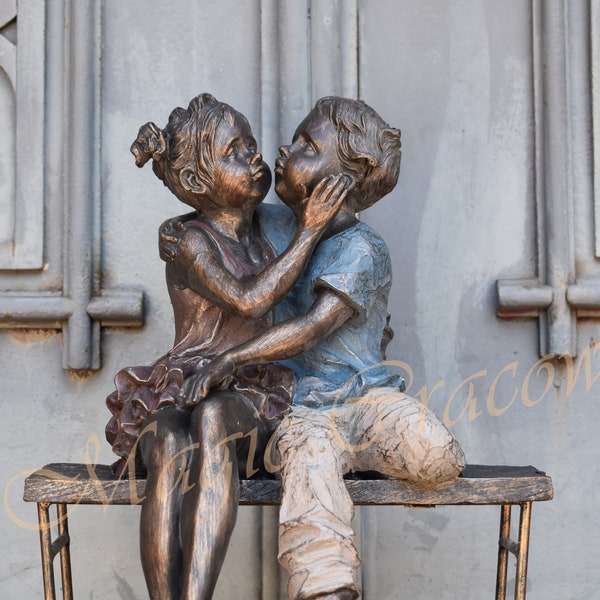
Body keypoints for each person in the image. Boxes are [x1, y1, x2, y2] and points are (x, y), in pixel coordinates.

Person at [185, 97, 466, 600]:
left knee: (434, 455)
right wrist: (176, 233)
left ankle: (357, 449)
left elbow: (312, 328)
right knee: (308, 464)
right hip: (299, 407)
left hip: (365, 399)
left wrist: (231, 359)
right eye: (297, 139)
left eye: (307, 147)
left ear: (340, 184)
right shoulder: (269, 225)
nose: (284, 149)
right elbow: (211, 216)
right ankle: (327, 587)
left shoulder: (363, 249)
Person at [104, 93, 351, 599]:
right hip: (184, 384)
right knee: (172, 440)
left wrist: (312, 225)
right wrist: (309, 232)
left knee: (214, 418)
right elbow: (248, 301)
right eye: (236, 151)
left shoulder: (267, 231)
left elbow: (340, 240)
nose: (255, 157)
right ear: (196, 183)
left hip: (247, 390)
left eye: (252, 144)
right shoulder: (191, 241)